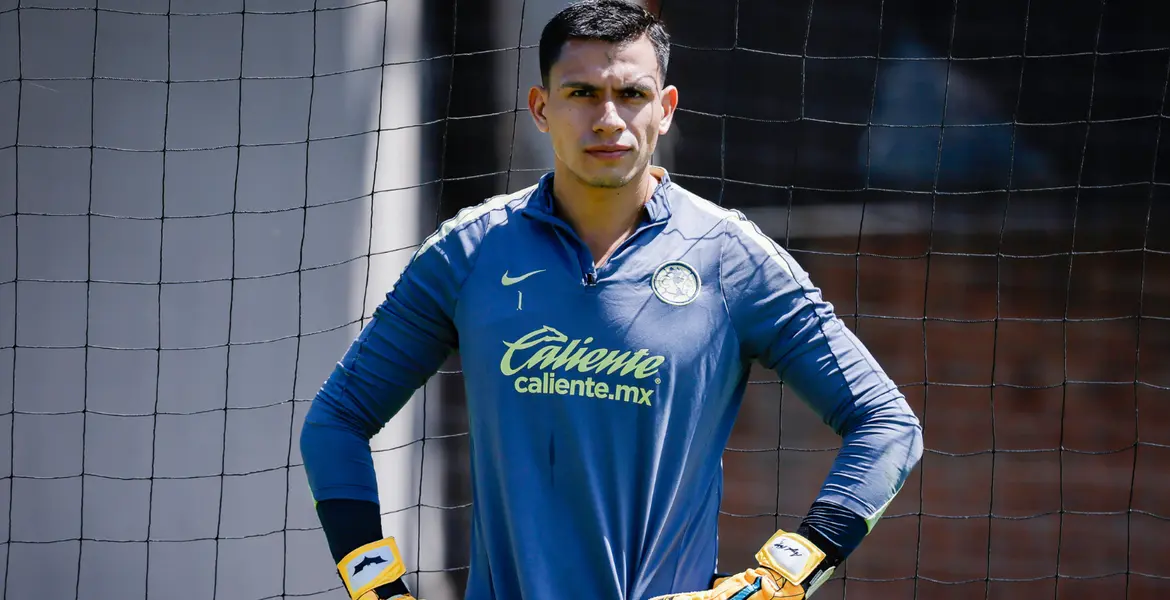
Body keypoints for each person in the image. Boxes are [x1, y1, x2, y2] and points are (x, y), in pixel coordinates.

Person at [299, 1, 924, 599]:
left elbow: (888, 426)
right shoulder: (469, 252)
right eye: (581, 94)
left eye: (631, 94)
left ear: (667, 107)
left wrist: (786, 573)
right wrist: (375, 583)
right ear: (541, 108)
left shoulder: (732, 258)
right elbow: (336, 422)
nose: (608, 119)